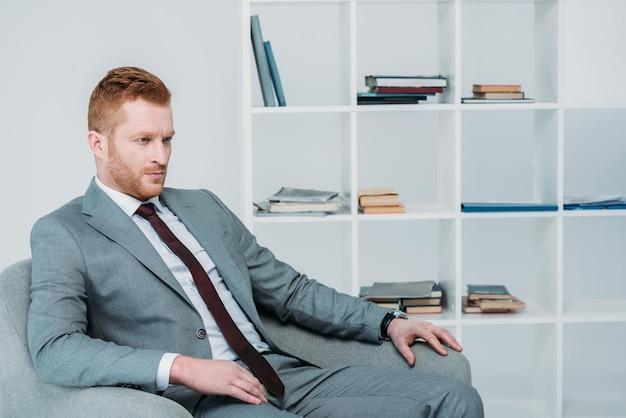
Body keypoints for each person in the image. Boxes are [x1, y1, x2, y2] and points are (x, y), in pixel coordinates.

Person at [27, 66, 483, 417]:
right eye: (143, 140)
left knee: (454, 399)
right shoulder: (65, 231)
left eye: (167, 139)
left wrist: (387, 323)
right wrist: (185, 367)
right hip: (210, 399)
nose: (160, 156)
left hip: (282, 374)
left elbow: (290, 290)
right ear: (98, 143)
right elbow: (55, 349)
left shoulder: (202, 205)